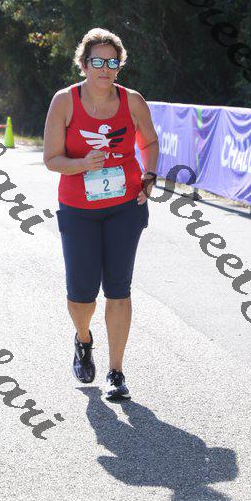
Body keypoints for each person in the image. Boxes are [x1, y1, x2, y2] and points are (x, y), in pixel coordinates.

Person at [43, 27, 159, 401]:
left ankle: (116, 372)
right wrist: (82, 164)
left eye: (112, 62)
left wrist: (149, 175)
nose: (105, 69)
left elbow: (149, 141)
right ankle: (83, 338)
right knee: (82, 295)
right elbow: (51, 159)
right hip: (78, 210)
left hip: (125, 207)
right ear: (84, 64)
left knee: (119, 290)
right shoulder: (65, 101)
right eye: (98, 62)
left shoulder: (132, 101)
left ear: (119, 66)